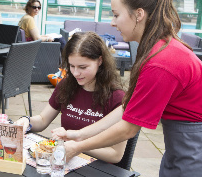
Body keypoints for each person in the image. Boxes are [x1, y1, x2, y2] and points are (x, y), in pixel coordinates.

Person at [52, 0, 202, 177]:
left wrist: (77, 147)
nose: (112, 22)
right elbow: (126, 108)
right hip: (189, 145)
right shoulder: (157, 47)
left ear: (138, 14)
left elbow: (128, 127)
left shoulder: (160, 61)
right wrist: (78, 135)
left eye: (116, 15)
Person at [16, 32, 126, 163]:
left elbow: (115, 155)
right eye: (72, 66)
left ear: (100, 61)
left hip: (98, 170)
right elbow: (43, 119)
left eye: (82, 67)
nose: (75, 73)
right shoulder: (66, 85)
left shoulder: (117, 98)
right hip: (66, 162)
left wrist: (77, 146)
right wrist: (26, 121)